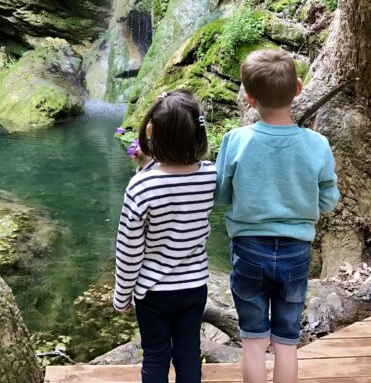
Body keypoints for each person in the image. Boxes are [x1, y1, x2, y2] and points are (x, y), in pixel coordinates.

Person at [215, 49, 340, 383]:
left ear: (248, 98)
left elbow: (221, 195)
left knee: (253, 342)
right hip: (296, 252)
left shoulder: (235, 141)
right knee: (287, 344)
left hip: (248, 249)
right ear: (298, 88)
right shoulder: (318, 144)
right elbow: (329, 198)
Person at [113, 89, 217, 383]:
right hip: (194, 286)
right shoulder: (210, 176)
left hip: (153, 291)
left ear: (150, 131)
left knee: (156, 355)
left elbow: (129, 251)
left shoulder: (141, 187)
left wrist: (122, 297)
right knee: (189, 352)